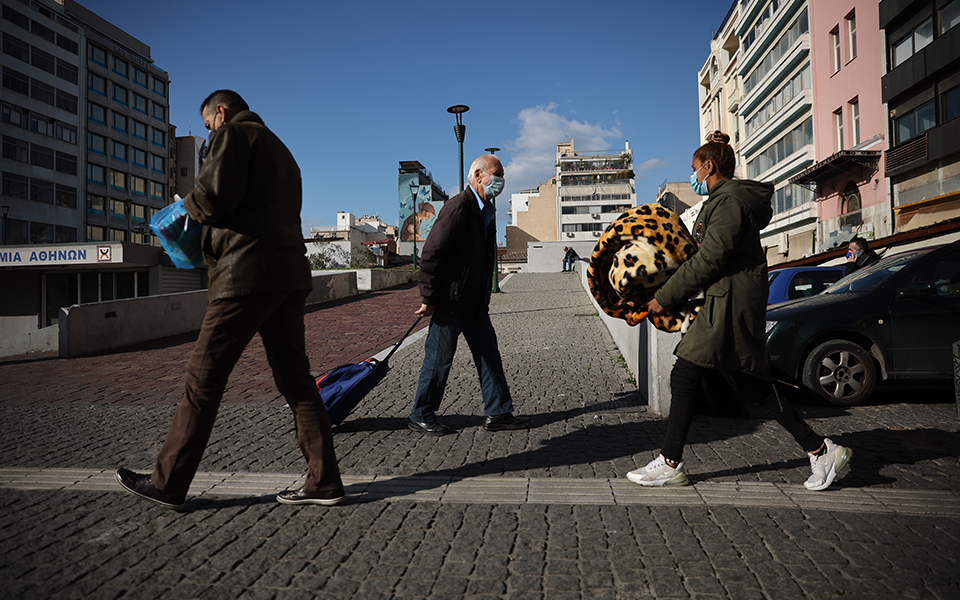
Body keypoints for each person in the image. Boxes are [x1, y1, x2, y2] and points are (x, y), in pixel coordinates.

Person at [116, 90, 344, 509]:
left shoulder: (232, 136)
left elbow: (213, 198)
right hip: (289, 277)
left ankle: (167, 482)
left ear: (220, 112)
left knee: (202, 380)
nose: (208, 134)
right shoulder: (283, 151)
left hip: (244, 276)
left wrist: (182, 208)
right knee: (297, 381)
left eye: (207, 125)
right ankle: (324, 480)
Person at [627, 131, 852, 491]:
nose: (693, 176)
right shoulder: (727, 200)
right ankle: (822, 450)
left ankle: (671, 462)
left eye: (694, 169)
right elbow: (713, 256)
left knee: (686, 375)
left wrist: (665, 296)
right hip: (727, 301)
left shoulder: (729, 201)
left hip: (729, 304)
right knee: (754, 387)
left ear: (709, 166)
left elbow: (711, 257)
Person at [408, 154, 532, 435]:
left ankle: (499, 412)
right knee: (438, 360)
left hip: (475, 304)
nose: (500, 182)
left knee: (489, 356)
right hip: (451, 302)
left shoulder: (484, 209)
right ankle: (421, 413)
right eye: (496, 175)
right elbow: (432, 253)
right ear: (478, 175)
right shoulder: (458, 207)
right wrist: (428, 297)